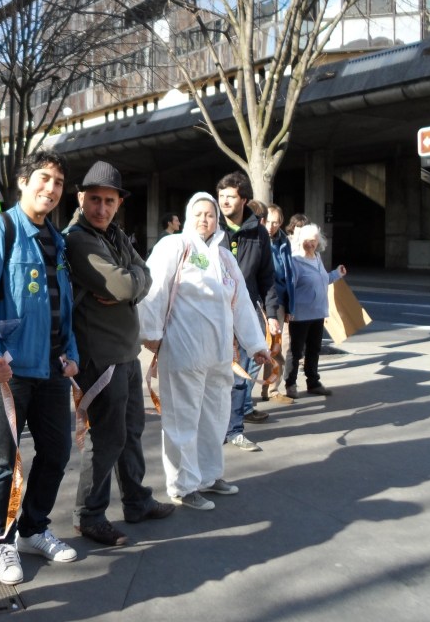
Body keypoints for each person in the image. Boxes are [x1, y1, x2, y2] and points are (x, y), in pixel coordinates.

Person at [0, 149, 80, 585]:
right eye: (44, 178)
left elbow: (63, 304)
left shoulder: (59, 241)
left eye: (58, 182)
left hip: (51, 369)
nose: (51, 189)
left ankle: (33, 527)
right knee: (3, 459)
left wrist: (70, 353)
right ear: (23, 182)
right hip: (7, 371)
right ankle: (2, 539)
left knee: (57, 452)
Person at [65, 161, 174, 547]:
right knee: (107, 437)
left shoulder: (114, 236)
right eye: (94, 199)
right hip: (101, 356)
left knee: (130, 432)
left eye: (109, 201)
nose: (101, 208)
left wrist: (129, 280)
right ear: (81, 198)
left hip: (125, 353)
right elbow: (126, 285)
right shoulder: (79, 240)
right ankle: (89, 516)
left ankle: (136, 501)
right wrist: (128, 281)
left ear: (118, 204)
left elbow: (141, 276)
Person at [139, 192, 270, 510]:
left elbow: (240, 304)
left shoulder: (224, 258)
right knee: (183, 421)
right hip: (183, 353)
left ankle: (210, 477)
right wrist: (151, 335)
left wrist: (256, 345)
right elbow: (153, 290)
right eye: (198, 213)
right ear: (186, 217)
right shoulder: (175, 247)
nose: (204, 219)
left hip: (219, 356)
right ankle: (183, 486)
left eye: (210, 214)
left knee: (214, 418)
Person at [216, 172, 279, 452]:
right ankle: (213, 429)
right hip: (212, 315)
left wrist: (273, 313)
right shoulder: (210, 228)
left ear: (243, 199)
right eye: (221, 197)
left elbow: (267, 277)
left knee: (241, 375)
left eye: (230, 196)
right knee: (214, 375)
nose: (224, 202)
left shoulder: (258, 233)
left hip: (244, 313)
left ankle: (235, 430)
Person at [286, 223, 347, 398]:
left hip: (318, 312)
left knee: (314, 349)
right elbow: (290, 288)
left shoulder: (317, 257)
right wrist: (289, 310)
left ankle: (313, 382)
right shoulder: (295, 261)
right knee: (296, 352)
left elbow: (323, 280)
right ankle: (290, 384)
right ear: (300, 241)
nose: (310, 244)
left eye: (313, 241)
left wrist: (337, 274)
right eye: (307, 241)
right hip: (300, 315)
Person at [261, 205, 297, 404]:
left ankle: (272, 388)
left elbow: (289, 273)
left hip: (280, 299)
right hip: (262, 299)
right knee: (257, 346)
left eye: (275, 221)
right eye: (268, 221)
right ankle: (243, 394)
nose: (271, 226)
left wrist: (291, 306)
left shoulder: (283, 241)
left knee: (276, 347)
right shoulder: (258, 238)